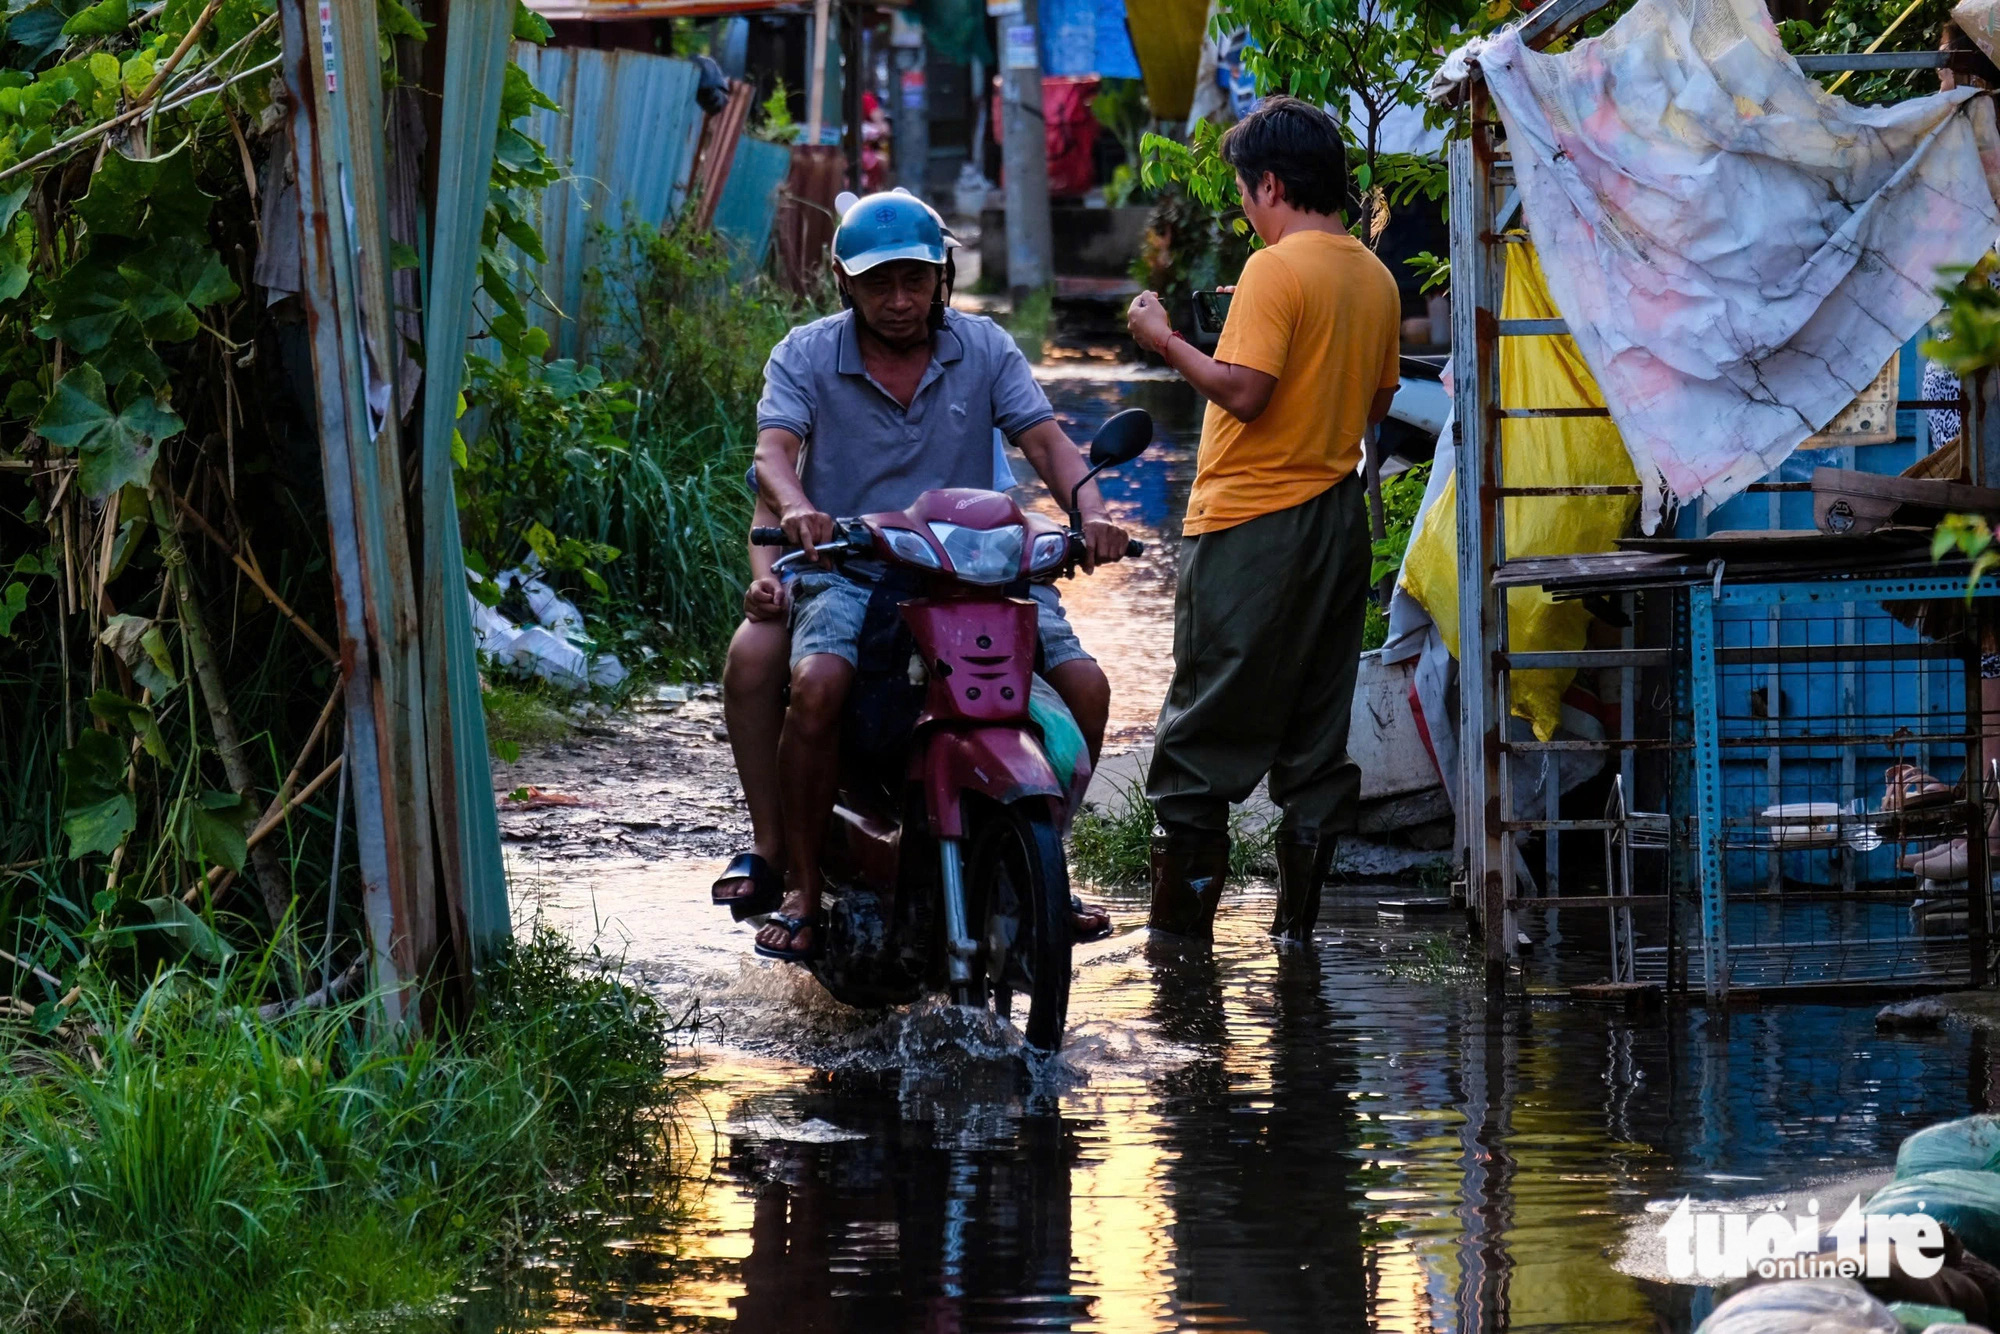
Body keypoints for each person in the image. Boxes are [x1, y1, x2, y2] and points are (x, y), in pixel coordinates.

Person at [732, 191, 1131, 961]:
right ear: (845, 284)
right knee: (816, 686)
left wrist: (1092, 514)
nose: (901, 300)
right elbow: (772, 453)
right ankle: (806, 889)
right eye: (880, 284)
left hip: (978, 571)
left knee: (1087, 689)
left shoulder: (984, 347)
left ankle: (1043, 861)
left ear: (942, 277)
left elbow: (1048, 445)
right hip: (851, 568)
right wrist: (803, 508)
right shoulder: (806, 353)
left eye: (916, 280)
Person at [1124, 96, 1401, 945]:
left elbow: (1245, 392)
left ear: (1272, 184)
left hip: (1250, 523)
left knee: (1201, 733)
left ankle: (1180, 960)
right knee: (1316, 737)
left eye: (1247, 193)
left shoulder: (1276, 271)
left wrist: (1164, 340)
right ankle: (1296, 942)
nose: (1246, 210)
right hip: (1336, 518)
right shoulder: (1376, 277)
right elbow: (1378, 402)